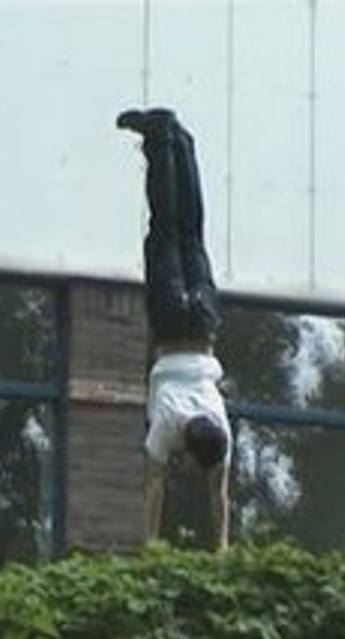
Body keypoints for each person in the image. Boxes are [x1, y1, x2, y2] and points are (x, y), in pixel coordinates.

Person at [117, 108, 231, 551]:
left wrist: (223, 546)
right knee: (165, 231)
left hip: (203, 323)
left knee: (192, 233)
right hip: (169, 323)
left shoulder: (220, 429)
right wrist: (147, 542)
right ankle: (159, 136)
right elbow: (153, 488)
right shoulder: (168, 425)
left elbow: (220, 495)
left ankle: (183, 144)